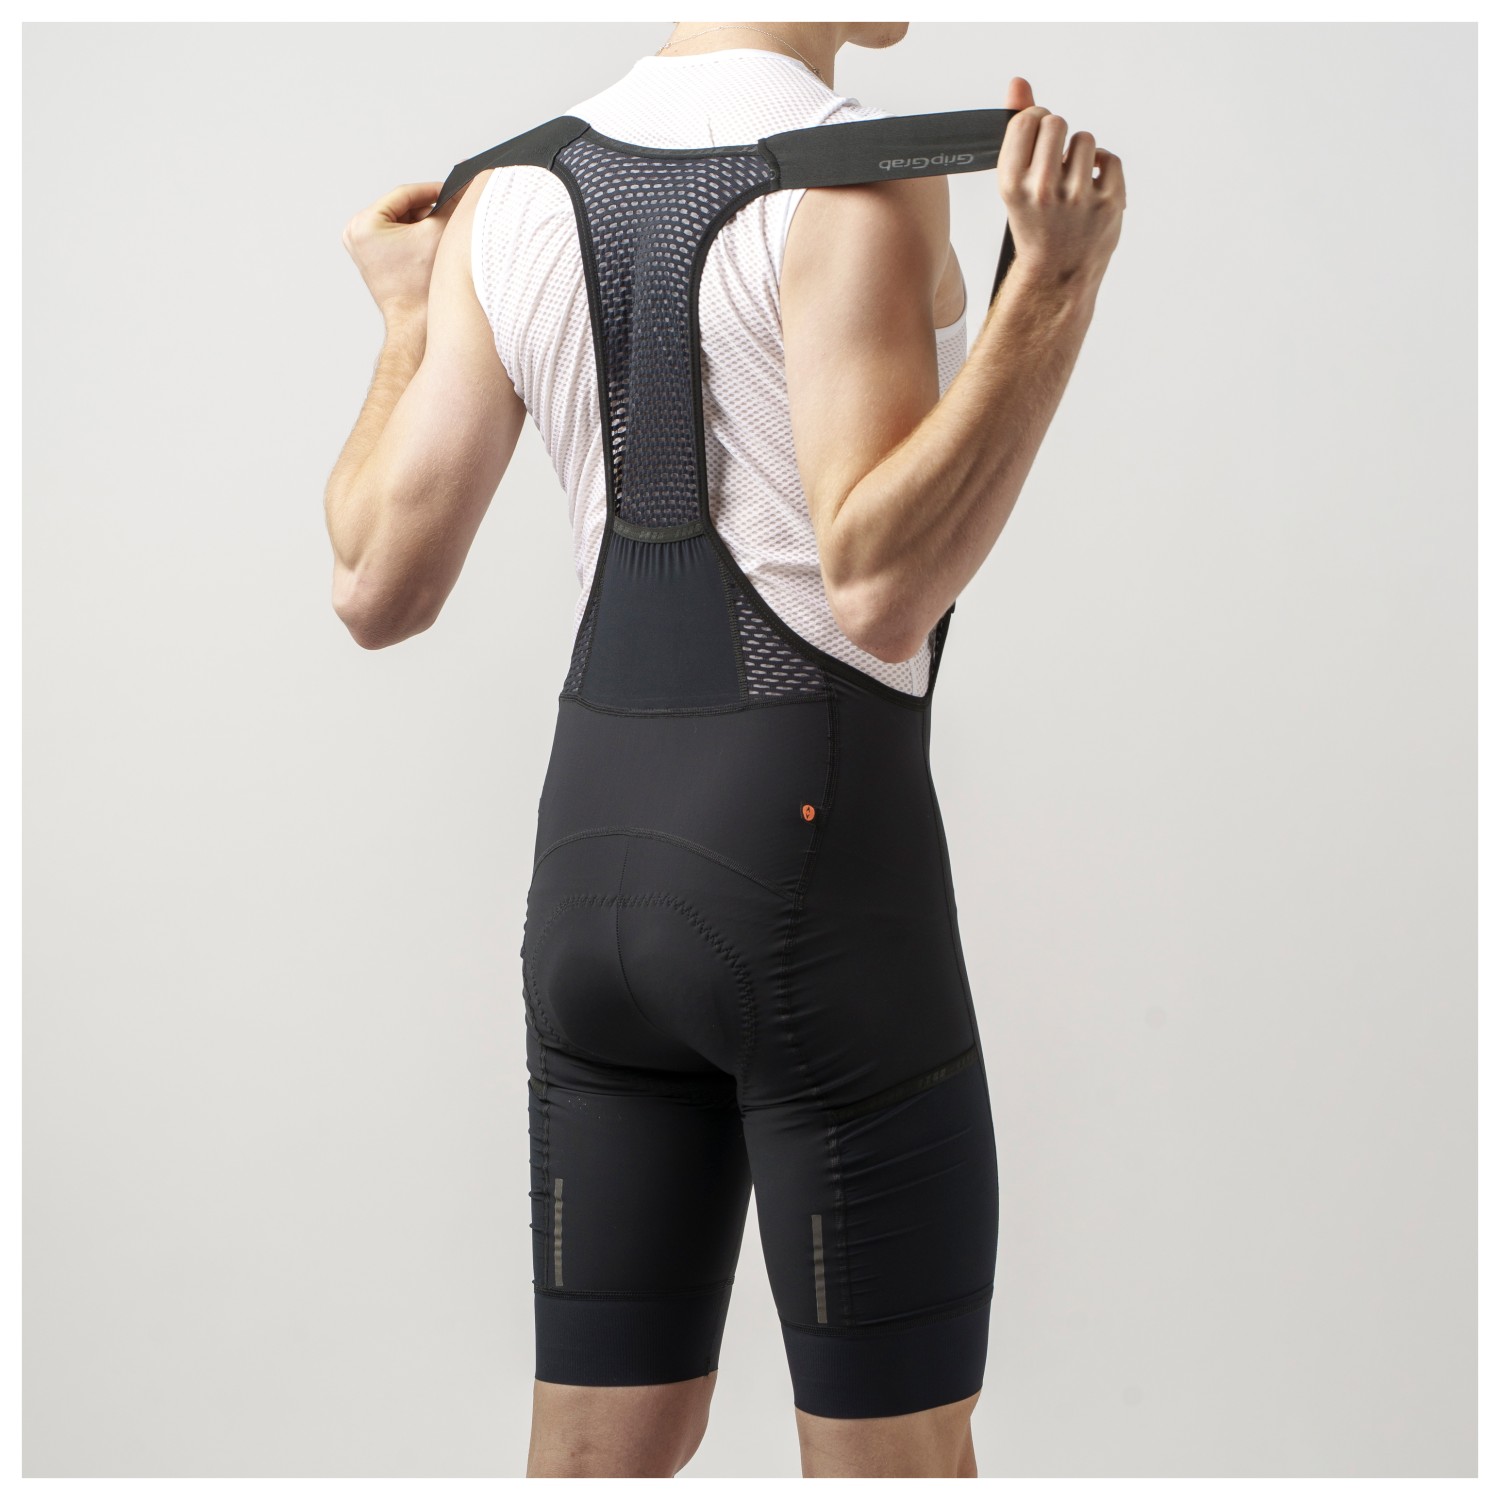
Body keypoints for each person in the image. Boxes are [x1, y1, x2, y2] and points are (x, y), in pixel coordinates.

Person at [323, 20, 1124, 1479]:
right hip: (808, 871)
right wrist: (1055, 283)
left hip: (589, 872)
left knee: (593, 1455)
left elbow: (375, 584)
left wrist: (407, 324)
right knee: (897, 1457)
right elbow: (877, 584)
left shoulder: (503, 194)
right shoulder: (861, 177)